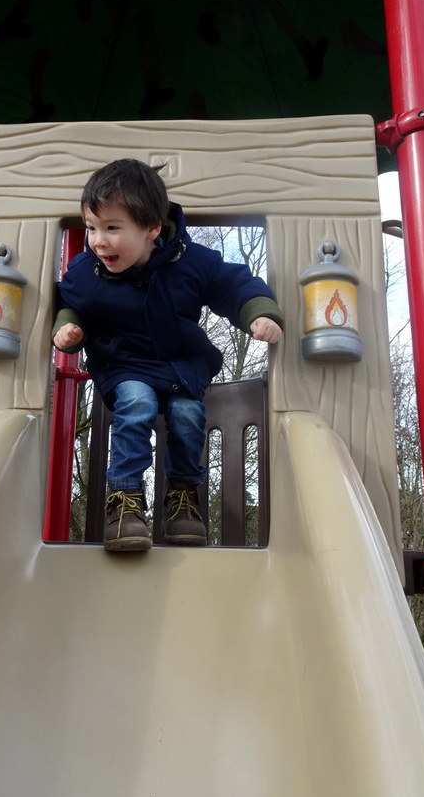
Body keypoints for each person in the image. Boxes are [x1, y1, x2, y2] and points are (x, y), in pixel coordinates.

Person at [52, 158, 283, 553]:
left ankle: (183, 497)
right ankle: (124, 501)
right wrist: (69, 329)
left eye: (111, 228)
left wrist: (258, 313)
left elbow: (233, 284)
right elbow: (69, 299)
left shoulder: (190, 262)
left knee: (188, 414)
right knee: (137, 402)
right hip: (123, 362)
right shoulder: (89, 271)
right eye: (91, 227)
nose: (98, 241)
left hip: (180, 363)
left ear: (152, 228)